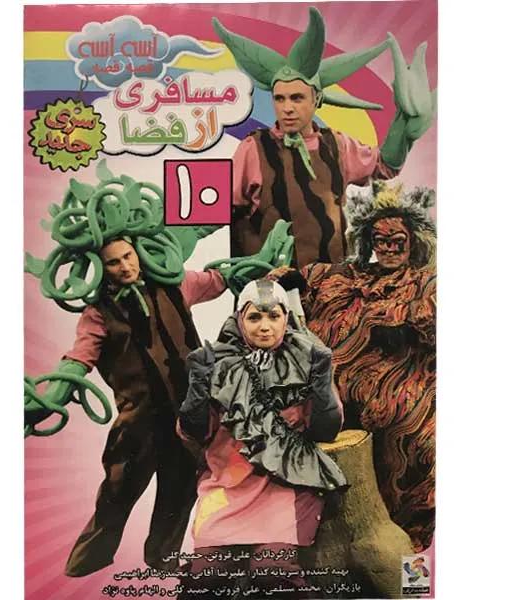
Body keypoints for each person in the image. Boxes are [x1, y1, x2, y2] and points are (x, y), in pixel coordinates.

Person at [24, 162, 294, 577]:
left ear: (138, 250)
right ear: (99, 266)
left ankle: (162, 558)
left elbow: (220, 278)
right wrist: (49, 398)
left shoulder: (176, 283)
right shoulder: (98, 314)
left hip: (191, 414)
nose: (125, 266)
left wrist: (258, 261)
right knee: (119, 489)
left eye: (127, 256)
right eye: (113, 262)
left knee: (180, 488)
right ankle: (87, 561)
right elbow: (78, 360)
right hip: (138, 422)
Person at [275, 181, 436, 551]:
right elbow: (317, 276)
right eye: (381, 241)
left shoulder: (426, 281)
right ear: (369, 242)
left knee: (411, 465)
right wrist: (292, 278)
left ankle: (409, 568)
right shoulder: (351, 276)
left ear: (412, 241)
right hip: (339, 410)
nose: (389, 248)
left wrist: (396, 317)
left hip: (403, 412)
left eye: (398, 241)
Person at [213, 6, 436, 267]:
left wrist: (403, 123)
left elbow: (385, 165)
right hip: (269, 284)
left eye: (297, 98)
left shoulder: (337, 145)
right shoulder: (254, 148)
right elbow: (219, 206)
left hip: (332, 280)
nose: (287, 108)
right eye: (280, 98)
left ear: (316, 99)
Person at [177, 279, 346, 598]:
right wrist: (197, 386)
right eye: (255, 317)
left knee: (271, 573)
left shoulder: (305, 358)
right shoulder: (218, 362)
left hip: (286, 485)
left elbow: (326, 431)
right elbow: (195, 433)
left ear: (286, 318)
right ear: (240, 319)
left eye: (274, 316)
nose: (265, 326)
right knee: (204, 579)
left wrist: (322, 381)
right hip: (226, 485)